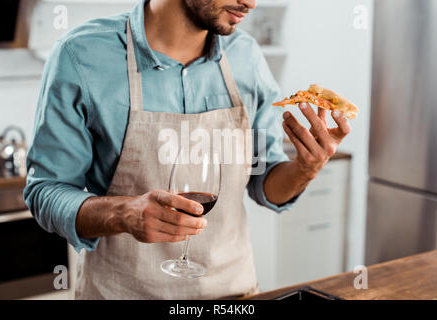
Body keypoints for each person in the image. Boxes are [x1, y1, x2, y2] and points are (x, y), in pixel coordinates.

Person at [24, 0, 351, 299]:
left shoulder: (246, 57)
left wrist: (304, 169)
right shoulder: (81, 55)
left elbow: (265, 183)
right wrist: (124, 213)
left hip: (234, 295)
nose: (250, 3)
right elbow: (46, 191)